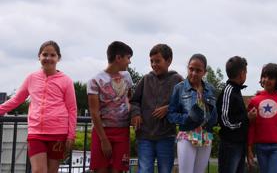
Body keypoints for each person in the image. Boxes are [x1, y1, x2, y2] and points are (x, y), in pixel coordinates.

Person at [0, 41, 77, 173]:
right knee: (39, 171)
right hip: (36, 133)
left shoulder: (66, 80)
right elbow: (16, 99)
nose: (48, 58)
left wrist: (71, 135)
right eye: (45, 54)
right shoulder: (31, 78)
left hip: (58, 133)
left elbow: (72, 109)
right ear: (39, 56)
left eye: (52, 55)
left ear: (58, 58)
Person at [130, 44, 183, 173]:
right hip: (144, 136)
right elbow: (134, 101)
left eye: (157, 61)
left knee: (165, 170)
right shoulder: (146, 79)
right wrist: (136, 113)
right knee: (144, 170)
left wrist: (169, 108)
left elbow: (184, 104)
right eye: (151, 61)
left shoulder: (178, 81)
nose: (154, 64)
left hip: (166, 136)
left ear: (169, 60)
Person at [87, 41, 133, 173]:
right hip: (102, 131)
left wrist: (130, 108)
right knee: (101, 169)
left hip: (122, 130)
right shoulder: (95, 81)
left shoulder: (127, 76)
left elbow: (129, 97)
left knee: (118, 170)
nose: (129, 62)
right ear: (118, 58)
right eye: (128, 58)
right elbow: (94, 113)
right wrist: (103, 140)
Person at [167, 53, 218, 173]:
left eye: (198, 70)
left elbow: (214, 115)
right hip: (187, 135)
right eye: (191, 69)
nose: (194, 73)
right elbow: (171, 114)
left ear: (205, 72)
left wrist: (213, 117)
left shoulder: (210, 89)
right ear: (187, 68)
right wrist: (188, 118)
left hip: (205, 135)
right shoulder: (179, 88)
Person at [247, 63, 277, 173]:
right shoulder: (254, 101)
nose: (266, 80)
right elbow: (251, 126)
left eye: (271, 78)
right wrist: (249, 147)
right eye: (264, 76)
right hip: (260, 146)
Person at [217, 56, 256, 173]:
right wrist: (247, 117)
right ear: (242, 73)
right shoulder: (229, 91)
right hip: (230, 144)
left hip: (238, 143)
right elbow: (225, 120)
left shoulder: (235, 90)